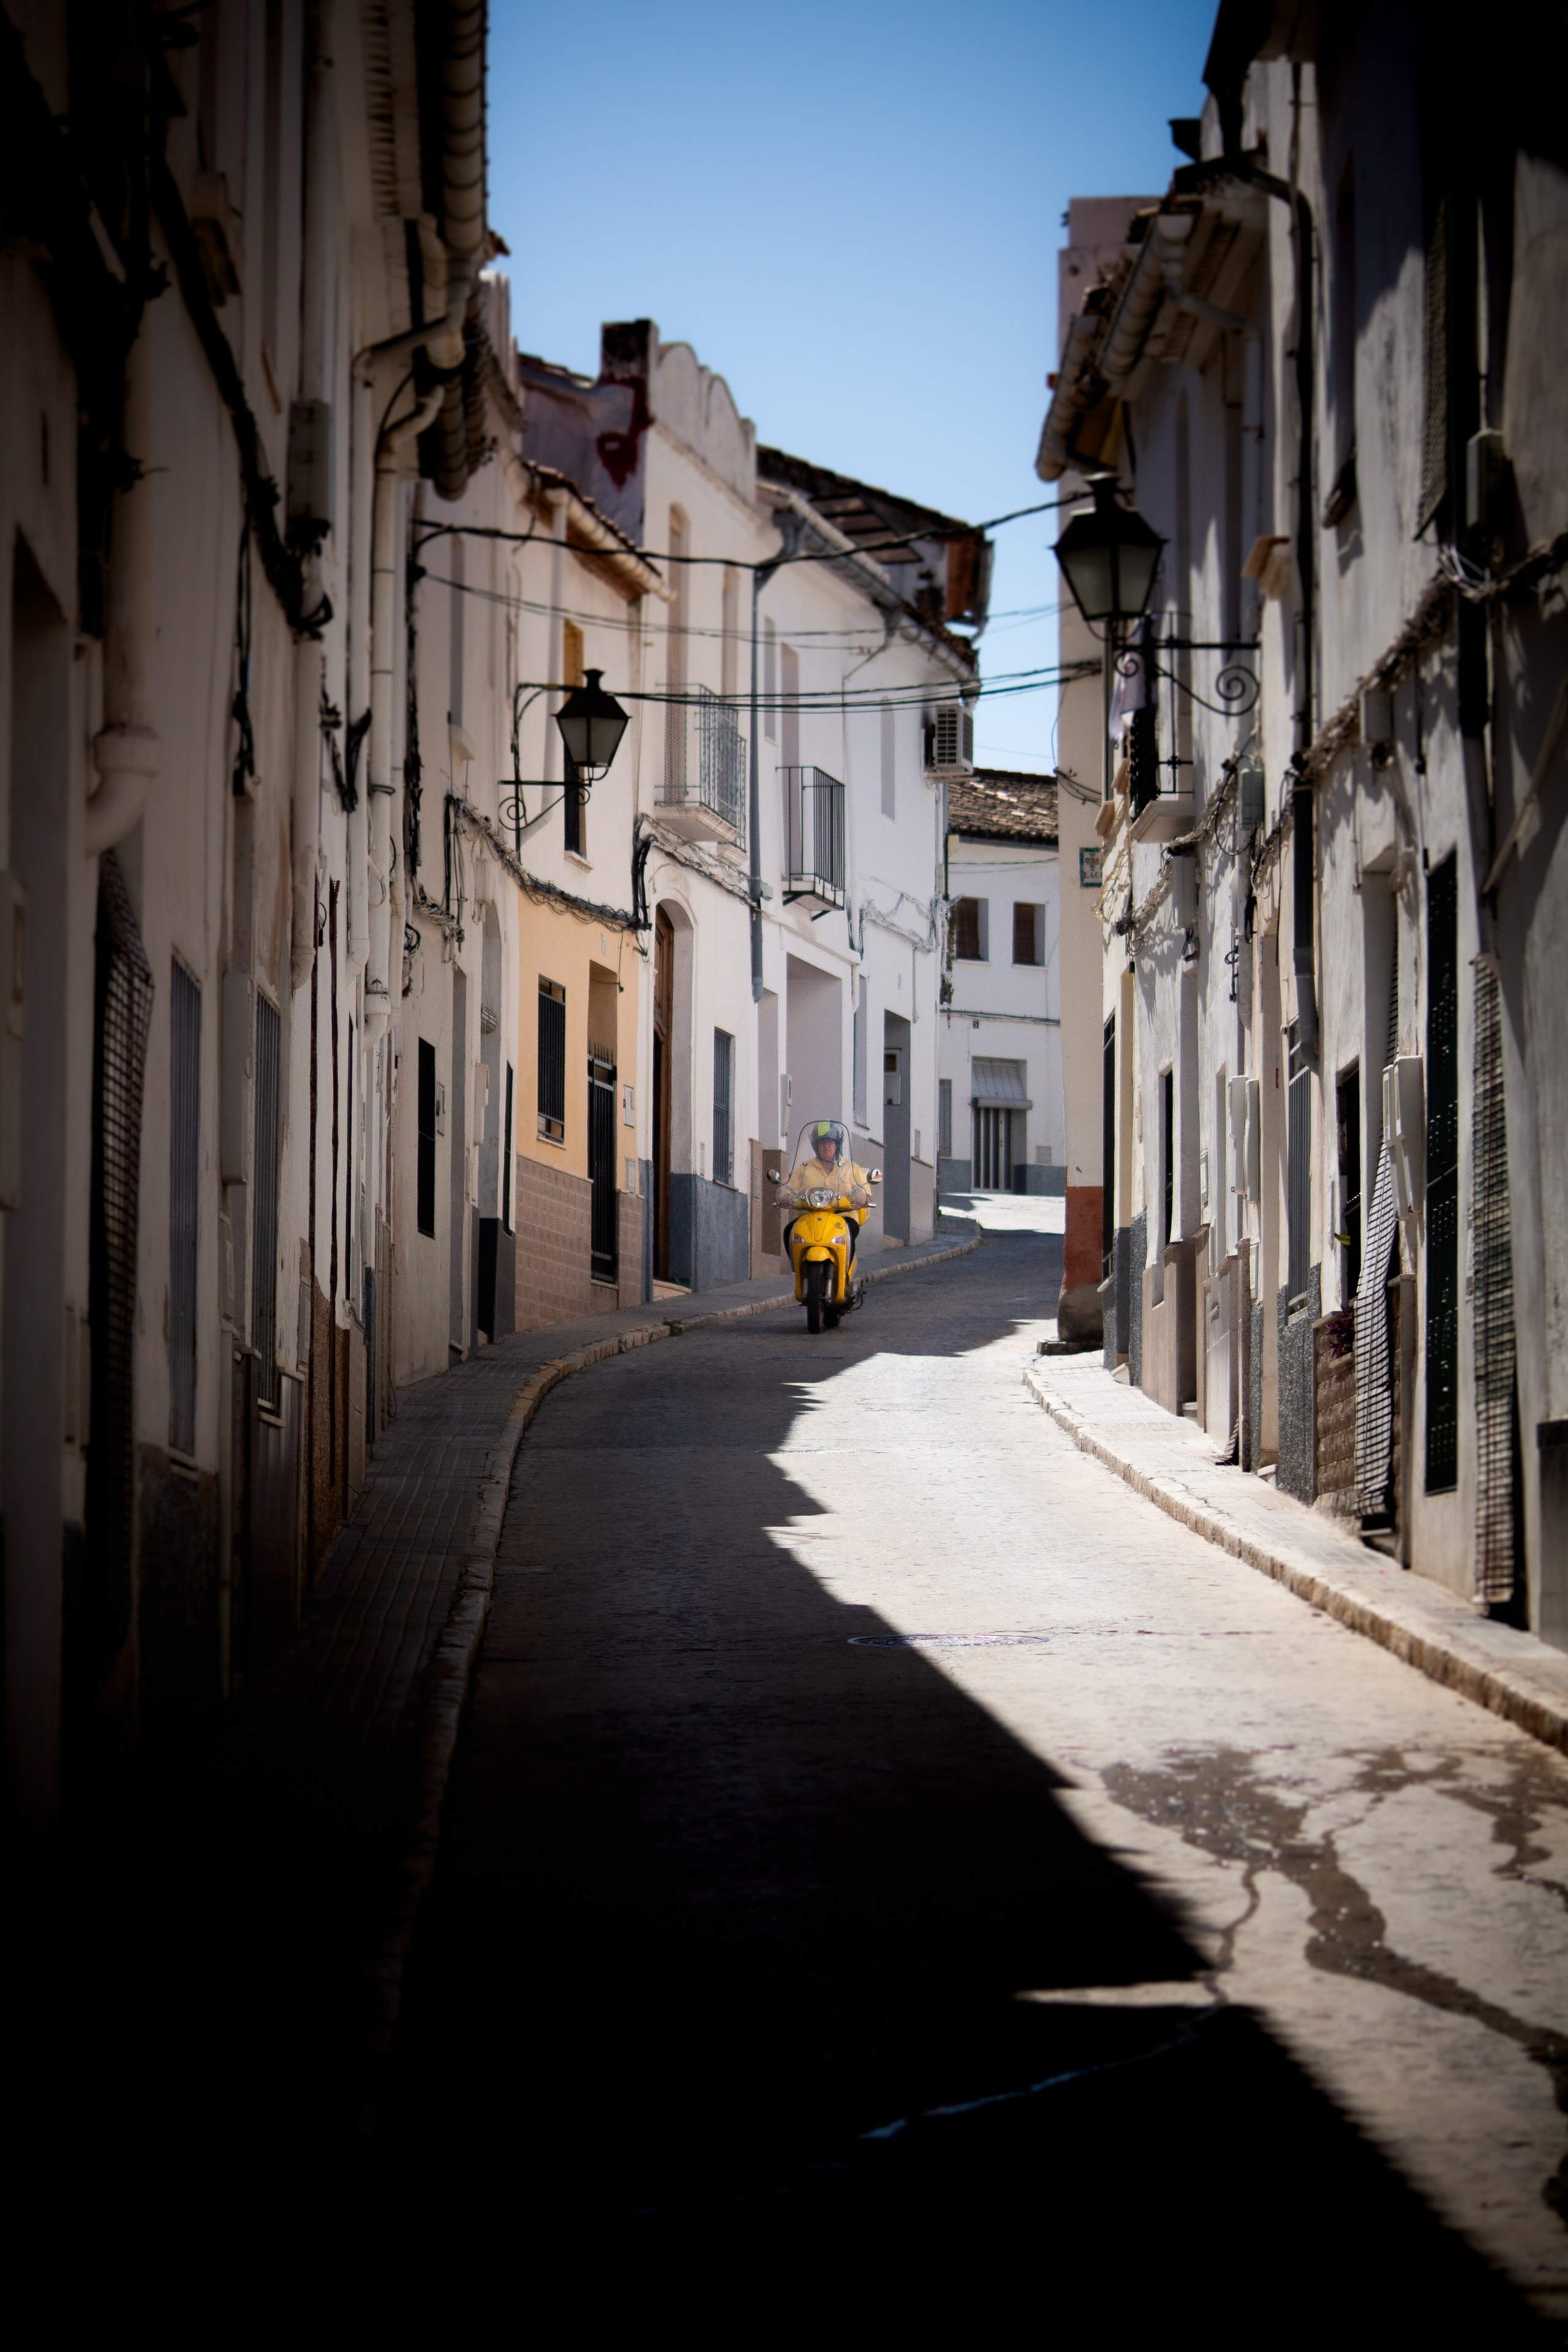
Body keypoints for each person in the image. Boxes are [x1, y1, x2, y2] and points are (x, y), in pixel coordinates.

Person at [778, 1120, 873, 1270]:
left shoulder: (850, 1168)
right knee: (789, 1231)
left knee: (850, 1232)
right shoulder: (805, 1168)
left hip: (843, 1216)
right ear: (816, 1146)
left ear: (837, 1145)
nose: (826, 1146)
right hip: (810, 1217)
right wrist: (785, 1196)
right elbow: (789, 1188)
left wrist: (862, 1197)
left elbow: (865, 1193)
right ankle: (798, 1269)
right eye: (822, 1142)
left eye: (830, 1142)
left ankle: (846, 1273)